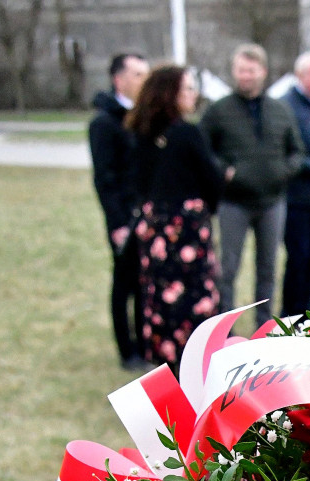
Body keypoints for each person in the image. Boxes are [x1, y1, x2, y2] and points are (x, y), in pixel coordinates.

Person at [199, 43, 305, 329]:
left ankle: (264, 326)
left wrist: (284, 170)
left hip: (273, 202)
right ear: (234, 73)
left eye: (251, 70)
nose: (246, 76)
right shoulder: (218, 111)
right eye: (241, 70)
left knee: (268, 268)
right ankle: (224, 328)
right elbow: (202, 151)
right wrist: (224, 171)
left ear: (263, 72)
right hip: (233, 202)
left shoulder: (280, 110)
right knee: (228, 269)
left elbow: (297, 151)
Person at [126, 65, 223, 369]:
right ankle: (195, 362)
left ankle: (163, 359)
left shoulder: (139, 133)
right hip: (186, 228)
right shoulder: (187, 133)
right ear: (171, 94)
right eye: (188, 89)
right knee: (194, 295)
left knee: (158, 294)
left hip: (154, 226)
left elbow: (137, 182)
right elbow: (212, 179)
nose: (193, 95)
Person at [88, 52, 150, 371]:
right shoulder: (104, 123)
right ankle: (127, 350)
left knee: (144, 283)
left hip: (147, 214)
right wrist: (117, 223)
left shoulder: (143, 118)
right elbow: (105, 179)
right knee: (124, 282)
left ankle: (144, 343)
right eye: (138, 74)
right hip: (123, 218)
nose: (144, 80)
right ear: (119, 80)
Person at [280, 51, 310, 317]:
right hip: (295, 198)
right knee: (298, 259)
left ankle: (306, 312)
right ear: (300, 76)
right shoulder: (286, 107)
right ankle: (291, 313)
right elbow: (288, 152)